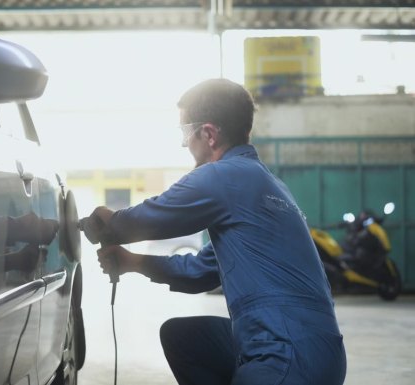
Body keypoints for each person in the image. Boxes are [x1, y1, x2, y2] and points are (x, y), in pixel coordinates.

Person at [83, 79, 346, 384]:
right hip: (317, 349)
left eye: (185, 132)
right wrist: (133, 263)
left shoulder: (223, 175)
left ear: (208, 133)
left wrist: (108, 221)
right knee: (184, 337)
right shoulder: (266, 183)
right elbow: (201, 270)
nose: (184, 143)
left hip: (284, 351)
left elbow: (146, 219)